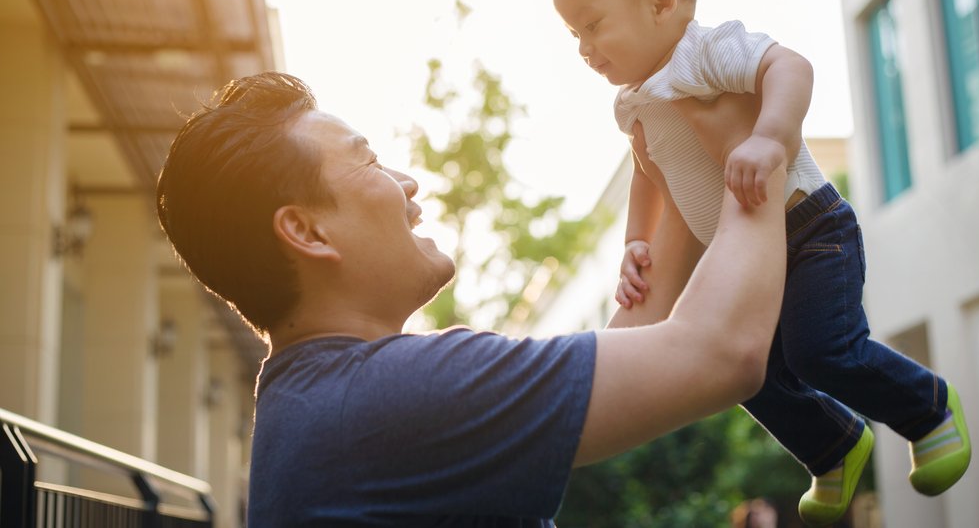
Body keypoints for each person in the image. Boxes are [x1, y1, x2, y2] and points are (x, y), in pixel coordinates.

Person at [156, 71, 789, 527]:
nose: (406, 183)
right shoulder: (389, 398)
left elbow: (634, 359)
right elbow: (720, 352)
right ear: (306, 231)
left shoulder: (321, 400)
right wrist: (754, 145)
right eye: (370, 162)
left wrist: (676, 162)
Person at [552, 0, 971, 526]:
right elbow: (648, 172)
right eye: (573, 35)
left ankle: (928, 408)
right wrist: (638, 241)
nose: (584, 48)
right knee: (741, 373)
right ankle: (833, 446)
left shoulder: (705, 52)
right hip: (746, 260)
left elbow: (790, 66)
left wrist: (770, 137)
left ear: (661, 2)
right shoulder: (631, 103)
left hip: (811, 234)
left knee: (821, 351)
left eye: (593, 25)